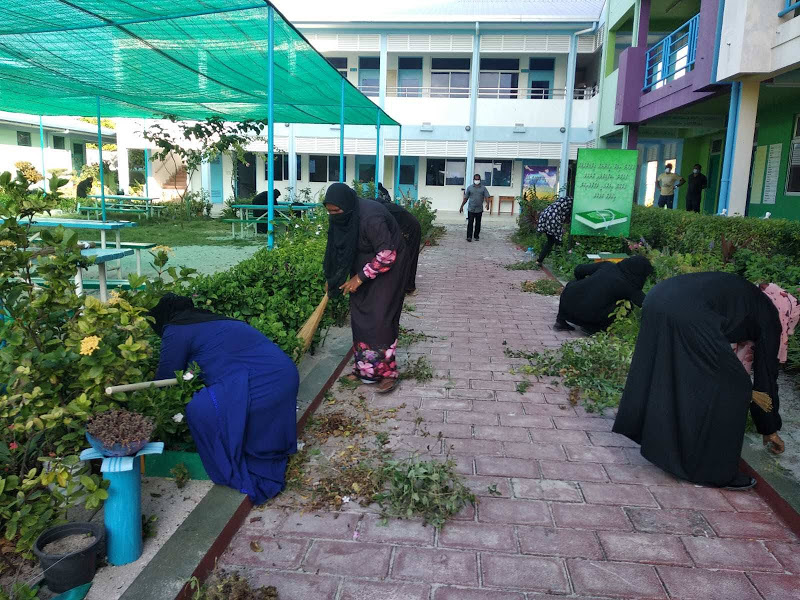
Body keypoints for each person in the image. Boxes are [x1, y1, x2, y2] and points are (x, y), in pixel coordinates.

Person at [613, 275, 799, 490]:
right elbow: (766, 378)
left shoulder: (749, 297)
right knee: (735, 387)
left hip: (657, 297)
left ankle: (662, 445)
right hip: (686, 312)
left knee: (678, 375)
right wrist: (770, 428)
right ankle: (713, 472)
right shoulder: (770, 316)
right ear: (787, 313)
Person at [149, 293, 299, 505]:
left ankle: (234, 458)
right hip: (284, 375)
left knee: (200, 409)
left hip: (261, 384)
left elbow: (164, 378)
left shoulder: (175, 329)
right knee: (219, 399)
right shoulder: (214, 320)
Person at [323, 183, 408, 393]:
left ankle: (387, 373)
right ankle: (365, 370)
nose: (334, 215)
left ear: (347, 205)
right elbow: (337, 247)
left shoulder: (370, 217)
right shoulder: (346, 216)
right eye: (330, 211)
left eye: (336, 211)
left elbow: (387, 254)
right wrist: (333, 277)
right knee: (360, 315)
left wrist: (359, 278)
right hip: (365, 264)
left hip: (390, 267)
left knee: (381, 317)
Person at [554, 256, 653, 333]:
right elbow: (646, 304)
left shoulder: (607, 265)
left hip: (568, 303)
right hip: (589, 316)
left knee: (573, 284)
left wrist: (584, 283)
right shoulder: (630, 286)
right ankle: (593, 328)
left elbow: (579, 270)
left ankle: (561, 320)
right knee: (627, 305)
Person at [375, 183, 422, 295]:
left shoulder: (381, 209)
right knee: (401, 257)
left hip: (412, 229)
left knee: (409, 257)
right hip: (403, 227)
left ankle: (409, 287)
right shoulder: (381, 206)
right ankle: (401, 283)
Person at [535, 195, 573, 265]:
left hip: (545, 215)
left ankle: (539, 260)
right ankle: (559, 263)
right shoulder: (571, 203)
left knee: (550, 241)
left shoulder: (563, 200)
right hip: (553, 218)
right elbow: (567, 217)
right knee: (558, 242)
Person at [459, 174, 490, 242]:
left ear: (480, 180)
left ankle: (476, 236)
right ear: (473, 180)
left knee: (478, 223)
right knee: (470, 223)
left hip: (479, 209)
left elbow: (487, 196)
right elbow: (466, 198)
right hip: (471, 209)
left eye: (478, 179)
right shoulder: (470, 188)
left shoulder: (483, 188)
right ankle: (469, 237)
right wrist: (461, 206)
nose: (477, 181)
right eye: (475, 179)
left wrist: (488, 204)